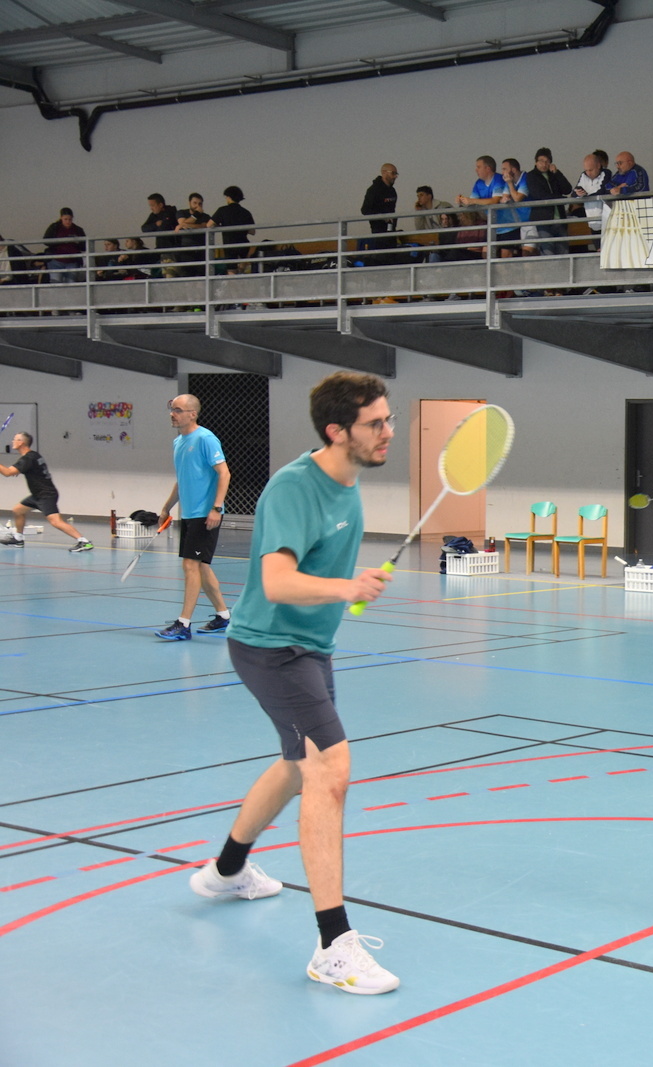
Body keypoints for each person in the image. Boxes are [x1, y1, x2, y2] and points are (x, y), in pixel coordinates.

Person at [187, 371, 400, 996]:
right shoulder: (293, 487)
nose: (387, 431)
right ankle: (334, 946)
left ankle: (227, 870)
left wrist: (345, 587)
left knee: (296, 764)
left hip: (309, 648)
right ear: (337, 431)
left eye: (388, 419)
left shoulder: (348, 483)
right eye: (375, 423)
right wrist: (347, 587)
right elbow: (276, 581)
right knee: (330, 768)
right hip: (270, 648)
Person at [154, 394, 232, 641]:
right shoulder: (178, 442)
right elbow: (181, 480)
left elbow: (224, 473)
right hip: (188, 514)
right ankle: (223, 617)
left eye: (178, 410)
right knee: (201, 567)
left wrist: (216, 508)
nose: (172, 414)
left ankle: (183, 624)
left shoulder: (206, 439)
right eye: (171, 409)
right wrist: (166, 508)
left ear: (192, 414)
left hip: (205, 514)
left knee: (190, 565)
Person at [0, 432, 94, 551]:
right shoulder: (34, 455)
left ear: (21, 442)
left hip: (45, 495)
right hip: (37, 495)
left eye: (15, 439)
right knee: (18, 510)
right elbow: (21, 470)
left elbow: (8, 473)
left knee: (56, 522)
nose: (12, 441)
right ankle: (18, 539)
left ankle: (84, 542)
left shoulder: (27, 459)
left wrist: (11, 471)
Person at [525, 148, 574, 255]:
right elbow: (538, 194)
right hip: (543, 221)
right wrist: (559, 198)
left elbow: (567, 189)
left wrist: (557, 173)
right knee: (548, 252)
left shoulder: (554, 175)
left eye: (547, 161)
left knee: (563, 253)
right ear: (535, 162)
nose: (544, 164)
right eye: (541, 161)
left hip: (560, 220)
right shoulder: (531, 176)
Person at [207, 186, 255, 274]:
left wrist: (222, 226)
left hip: (229, 245)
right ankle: (241, 270)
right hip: (243, 244)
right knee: (242, 268)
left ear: (229, 197)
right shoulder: (246, 212)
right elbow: (252, 231)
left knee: (231, 272)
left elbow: (209, 225)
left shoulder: (222, 210)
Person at [569, 153, 612, 248]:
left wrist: (586, 196)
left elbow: (602, 191)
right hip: (592, 222)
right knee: (598, 250)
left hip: (607, 222)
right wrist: (578, 193)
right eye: (586, 170)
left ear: (598, 166)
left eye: (591, 170)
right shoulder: (583, 175)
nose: (588, 173)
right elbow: (574, 193)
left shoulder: (606, 173)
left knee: (608, 250)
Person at [495, 157, 531, 256]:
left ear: (513, 170)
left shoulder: (526, 178)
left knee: (529, 252)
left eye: (504, 169)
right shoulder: (509, 181)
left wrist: (510, 184)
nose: (502, 172)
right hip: (518, 222)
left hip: (530, 221)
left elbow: (517, 198)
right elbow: (504, 198)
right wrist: (505, 198)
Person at [42, 207, 86, 284]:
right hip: (56, 261)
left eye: (70, 219)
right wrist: (61, 241)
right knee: (56, 282)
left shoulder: (78, 230)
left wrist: (78, 242)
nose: (68, 221)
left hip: (72, 261)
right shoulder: (54, 227)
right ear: (61, 218)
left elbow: (84, 246)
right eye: (65, 219)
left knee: (71, 283)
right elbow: (46, 241)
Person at [174, 193, 211, 277]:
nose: (197, 206)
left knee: (201, 277)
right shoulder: (181, 213)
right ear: (189, 203)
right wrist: (196, 215)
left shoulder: (205, 216)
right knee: (187, 276)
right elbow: (182, 224)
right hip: (186, 251)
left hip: (201, 251)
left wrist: (188, 225)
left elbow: (204, 226)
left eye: (200, 204)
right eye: (195, 203)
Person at [142, 193, 179, 277]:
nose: (151, 208)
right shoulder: (154, 215)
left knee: (169, 274)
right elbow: (144, 228)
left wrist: (157, 227)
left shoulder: (171, 212)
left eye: (153, 205)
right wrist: (156, 225)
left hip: (171, 250)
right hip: (160, 250)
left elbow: (165, 227)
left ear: (161, 205)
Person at [360, 163, 399, 236]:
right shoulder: (373, 190)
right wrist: (383, 217)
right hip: (378, 232)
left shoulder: (392, 191)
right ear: (384, 173)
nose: (395, 176)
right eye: (393, 173)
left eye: (396, 174)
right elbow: (365, 210)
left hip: (391, 230)